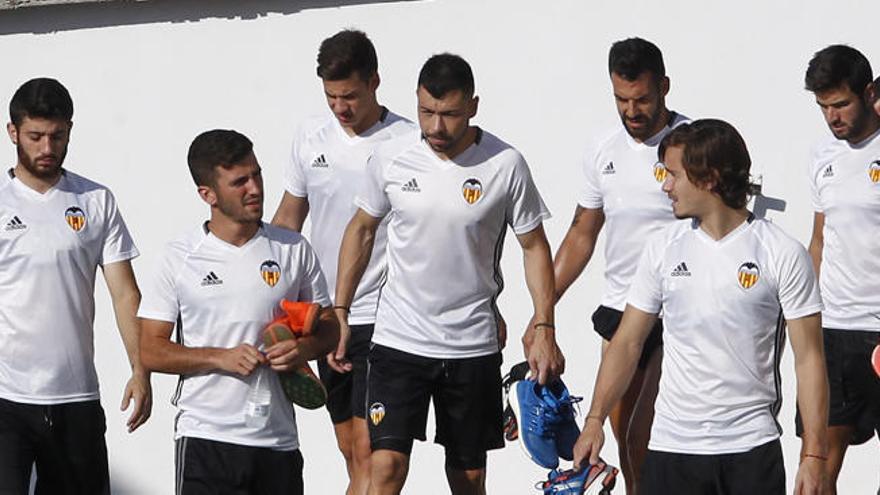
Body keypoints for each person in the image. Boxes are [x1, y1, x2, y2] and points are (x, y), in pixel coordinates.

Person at [334, 53, 564, 495]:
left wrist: (544, 325)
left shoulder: (505, 164)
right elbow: (361, 230)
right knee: (384, 467)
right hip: (399, 340)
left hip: (470, 343)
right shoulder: (392, 157)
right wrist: (341, 309)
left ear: (473, 106)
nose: (436, 127)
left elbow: (534, 246)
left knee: (468, 477)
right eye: (427, 112)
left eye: (450, 114)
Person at [573, 119, 829, 495]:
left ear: (708, 179)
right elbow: (627, 342)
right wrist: (594, 419)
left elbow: (809, 360)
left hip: (750, 451)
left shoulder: (782, 254)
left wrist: (814, 456)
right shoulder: (662, 248)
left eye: (673, 174)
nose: (665, 185)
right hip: (672, 451)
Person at [138, 129, 339, 494]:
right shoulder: (179, 257)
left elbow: (329, 326)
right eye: (239, 182)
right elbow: (150, 349)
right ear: (207, 194)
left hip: (277, 441)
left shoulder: (292, 248)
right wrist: (220, 358)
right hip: (207, 437)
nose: (255, 189)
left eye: (257, 174)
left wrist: (304, 349)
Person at [272, 29, 416, 495]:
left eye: (350, 95)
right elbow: (290, 218)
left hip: (386, 315)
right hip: (324, 316)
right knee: (351, 453)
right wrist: (263, 283)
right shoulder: (309, 136)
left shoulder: (409, 142)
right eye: (332, 97)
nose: (341, 107)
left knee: (374, 455)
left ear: (375, 81)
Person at [0, 77, 151, 494]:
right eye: (35, 136)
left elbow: (124, 293)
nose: (47, 148)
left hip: (76, 397)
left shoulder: (95, 200)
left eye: (57, 136)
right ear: (13, 132)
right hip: (7, 397)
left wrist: (141, 369)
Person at [551, 37, 687, 494]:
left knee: (647, 432)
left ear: (664, 87)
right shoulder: (602, 149)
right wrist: (541, 312)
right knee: (628, 441)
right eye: (621, 100)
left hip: (680, 313)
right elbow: (581, 234)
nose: (632, 111)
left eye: (642, 99)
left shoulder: (693, 143)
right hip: (620, 311)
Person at [802, 44, 880, 494]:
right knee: (816, 471)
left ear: (869, 94)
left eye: (841, 104)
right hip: (833, 331)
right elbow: (820, 238)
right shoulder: (821, 156)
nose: (833, 117)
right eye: (823, 107)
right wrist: (805, 316)